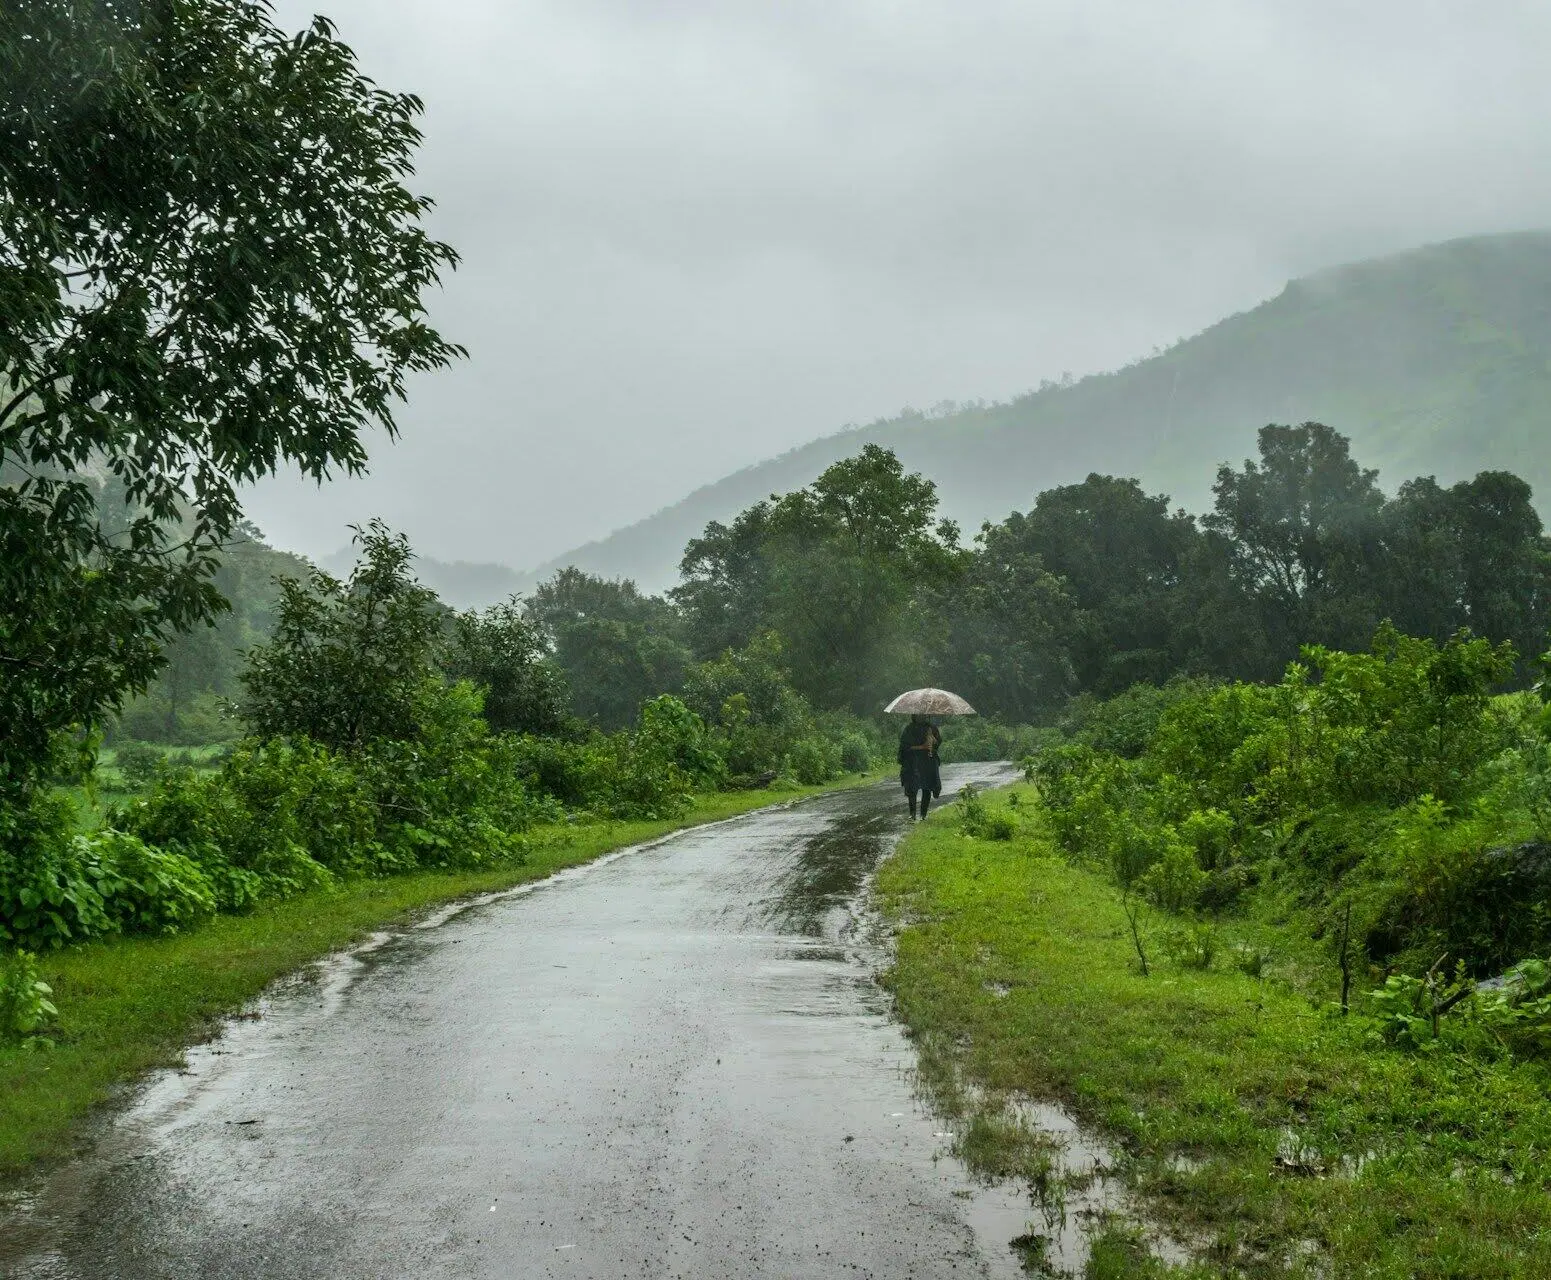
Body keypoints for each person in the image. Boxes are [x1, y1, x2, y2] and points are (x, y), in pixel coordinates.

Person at [897, 714, 942, 820]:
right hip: (913, 762)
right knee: (912, 788)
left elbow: (937, 743)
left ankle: (923, 815)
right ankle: (912, 814)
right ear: (914, 715)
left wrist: (934, 740)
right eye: (918, 714)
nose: (920, 716)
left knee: (927, 787)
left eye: (922, 714)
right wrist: (922, 747)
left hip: (928, 762)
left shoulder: (931, 728)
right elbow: (905, 747)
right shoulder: (909, 729)